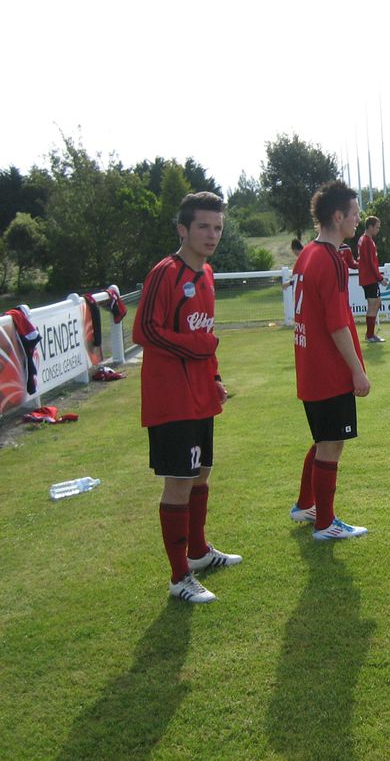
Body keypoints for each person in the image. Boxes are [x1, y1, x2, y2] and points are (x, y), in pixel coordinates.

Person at [134, 192, 241, 604]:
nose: (212, 234)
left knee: (202, 473)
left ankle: (197, 553)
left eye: (217, 227)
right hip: (171, 397)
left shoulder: (208, 274)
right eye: (203, 227)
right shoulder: (166, 272)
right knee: (178, 482)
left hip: (199, 394)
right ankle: (180, 578)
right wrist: (198, 348)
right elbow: (145, 331)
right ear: (183, 229)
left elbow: (204, 338)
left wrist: (213, 375)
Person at [288, 180, 370, 540]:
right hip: (328, 369)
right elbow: (336, 324)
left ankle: (306, 505)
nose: (357, 219)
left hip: (310, 366)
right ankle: (325, 523)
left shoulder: (307, 253)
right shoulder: (331, 260)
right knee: (331, 444)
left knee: (323, 438)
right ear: (337, 216)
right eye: (353, 214)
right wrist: (357, 372)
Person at [357, 216, 386, 344]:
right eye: (377, 227)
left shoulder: (365, 240)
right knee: (374, 305)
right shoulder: (367, 241)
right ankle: (370, 335)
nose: (378, 230)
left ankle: (370, 334)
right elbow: (370, 263)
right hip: (369, 278)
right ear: (370, 227)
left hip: (368, 278)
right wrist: (380, 278)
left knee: (376, 303)